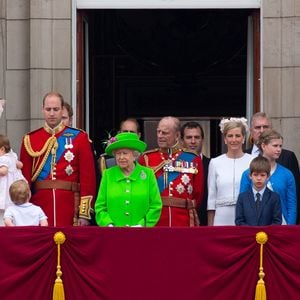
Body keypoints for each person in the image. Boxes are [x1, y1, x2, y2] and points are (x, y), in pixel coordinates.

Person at [20, 91, 96, 226]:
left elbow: (87, 178)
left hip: (70, 205)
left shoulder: (79, 138)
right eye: (48, 109)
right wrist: (24, 210)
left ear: (62, 110)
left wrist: (84, 213)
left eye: (56, 109)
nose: (52, 113)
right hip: (39, 207)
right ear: (42, 110)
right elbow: (25, 180)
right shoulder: (30, 139)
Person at [139, 116, 204, 227]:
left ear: (177, 135)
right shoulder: (146, 158)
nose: (160, 136)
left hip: (182, 220)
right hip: (154, 220)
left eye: (165, 133)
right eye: (158, 132)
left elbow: (198, 194)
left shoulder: (193, 159)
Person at [95, 132, 162, 227]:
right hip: (113, 234)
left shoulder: (148, 174)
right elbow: (100, 207)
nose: (121, 157)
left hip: (141, 234)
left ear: (135, 155)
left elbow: (156, 206)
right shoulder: (108, 175)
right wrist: (108, 225)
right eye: (118, 154)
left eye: (125, 153)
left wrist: (141, 225)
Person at [246, 112, 300, 223]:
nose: (261, 130)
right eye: (257, 127)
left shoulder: (287, 158)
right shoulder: (245, 157)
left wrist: (291, 227)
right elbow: (243, 199)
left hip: (283, 224)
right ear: (250, 131)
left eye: (265, 127)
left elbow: (293, 199)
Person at [207, 117, 254, 226]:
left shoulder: (252, 160)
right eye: (230, 136)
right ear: (225, 139)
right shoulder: (215, 162)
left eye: (237, 136)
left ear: (243, 138)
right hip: (221, 216)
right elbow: (211, 196)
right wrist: (210, 225)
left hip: (246, 215)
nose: (234, 140)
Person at [235, 156, 282, 226]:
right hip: (247, 235)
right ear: (250, 176)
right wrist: (252, 232)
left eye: (262, 175)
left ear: (268, 176)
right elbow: (239, 220)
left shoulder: (274, 197)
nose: (259, 178)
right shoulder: (242, 197)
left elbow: (277, 221)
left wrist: (263, 233)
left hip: (267, 236)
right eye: (255, 175)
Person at [181, 121, 210, 225]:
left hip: (206, 222)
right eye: (189, 137)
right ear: (182, 140)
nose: (193, 141)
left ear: (202, 140)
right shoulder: (175, 166)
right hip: (182, 221)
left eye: (197, 137)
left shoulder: (212, 164)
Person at [0, 135, 25, 225]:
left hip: (5, 188)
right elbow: (20, 165)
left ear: (2, 149)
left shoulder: (2, 159)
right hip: (14, 184)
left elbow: (4, 171)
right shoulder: (12, 155)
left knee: (3, 212)